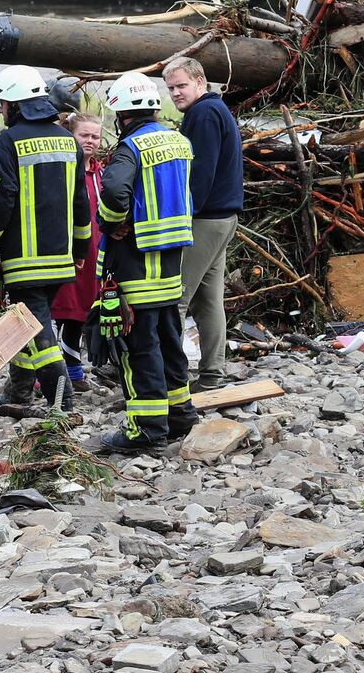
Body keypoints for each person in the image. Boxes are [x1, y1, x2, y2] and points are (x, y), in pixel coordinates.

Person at [0, 64, 90, 415]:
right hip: (61, 257)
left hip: (25, 261)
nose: (0, 110)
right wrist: (81, 248)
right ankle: (19, 391)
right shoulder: (68, 139)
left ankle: (61, 401)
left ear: (16, 104)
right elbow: (80, 201)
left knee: (39, 333)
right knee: (28, 323)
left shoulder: (8, 142)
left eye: (1, 104)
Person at [93, 72, 197, 454]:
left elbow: (115, 191)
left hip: (137, 263)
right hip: (171, 260)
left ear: (121, 114)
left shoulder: (130, 148)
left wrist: (112, 222)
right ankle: (180, 414)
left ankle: (146, 430)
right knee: (171, 339)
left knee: (138, 347)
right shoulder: (178, 141)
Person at [164, 56, 242, 391]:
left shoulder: (204, 113)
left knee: (175, 299)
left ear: (200, 81)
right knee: (208, 300)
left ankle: (170, 379)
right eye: (170, 89)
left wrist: (182, 216)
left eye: (181, 85)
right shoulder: (214, 110)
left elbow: (200, 172)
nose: (176, 94)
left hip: (205, 221)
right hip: (223, 217)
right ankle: (212, 374)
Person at [49, 113, 107, 387]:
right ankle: (60, 373)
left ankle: (80, 369)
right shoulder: (61, 170)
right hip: (68, 252)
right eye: (84, 135)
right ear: (71, 135)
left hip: (95, 253)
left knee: (86, 310)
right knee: (65, 311)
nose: (90, 141)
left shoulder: (101, 172)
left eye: (95, 136)